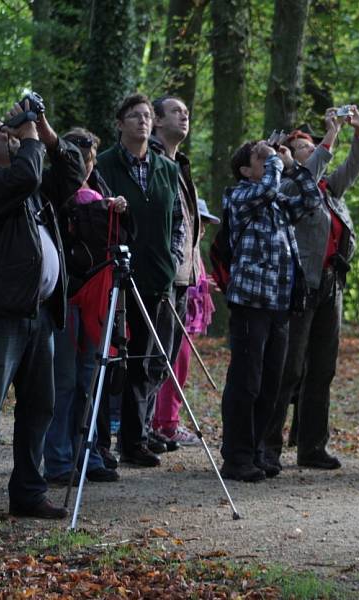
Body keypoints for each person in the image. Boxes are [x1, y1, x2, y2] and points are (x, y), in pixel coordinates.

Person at [0, 102, 85, 519]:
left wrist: (45, 132)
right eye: (1, 131)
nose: (10, 133)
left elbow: (72, 177)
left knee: (39, 408)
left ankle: (28, 492)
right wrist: (28, 138)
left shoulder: (23, 183)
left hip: (38, 314)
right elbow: (28, 174)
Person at [263, 105, 359, 471]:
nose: (314, 152)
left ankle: (311, 447)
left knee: (322, 369)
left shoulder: (330, 190)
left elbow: (353, 165)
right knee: (288, 368)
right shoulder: (288, 186)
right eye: (304, 149)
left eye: (313, 147)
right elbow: (312, 169)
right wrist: (329, 135)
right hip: (298, 287)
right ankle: (268, 446)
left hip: (330, 286)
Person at [219, 139, 321, 482]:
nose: (271, 160)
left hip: (280, 304)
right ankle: (236, 456)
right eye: (260, 158)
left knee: (272, 383)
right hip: (250, 302)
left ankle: (258, 450)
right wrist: (276, 163)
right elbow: (264, 190)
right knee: (246, 381)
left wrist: (294, 166)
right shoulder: (239, 197)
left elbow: (311, 201)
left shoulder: (276, 201)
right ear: (246, 171)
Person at [94, 93, 184, 468]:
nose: (143, 122)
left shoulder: (167, 169)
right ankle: (98, 444)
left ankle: (135, 439)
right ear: (120, 123)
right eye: (135, 116)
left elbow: (178, 221)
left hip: (156, 278)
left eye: (147, 116)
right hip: (114, 278)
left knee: (145, 362)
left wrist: (174, 258)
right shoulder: (104, 166)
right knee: (109, 360)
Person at [43, 127, 126, 486]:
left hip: (97, 293)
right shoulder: (50, 190)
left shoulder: (103, 192)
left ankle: (86, 453)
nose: (86, 166)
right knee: (63, 381)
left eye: (90, 158)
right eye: (79, 159)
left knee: (89, 381)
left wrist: (114, 210)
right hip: (65, 297)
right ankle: (60, 460)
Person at [145, 95, 201, 453]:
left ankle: (151, 426)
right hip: (158, 275)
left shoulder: (179, 162)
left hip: (181, 276)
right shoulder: (150, 160)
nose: (184, 117)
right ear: (158, 120)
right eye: (176, 112)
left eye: (187, 113)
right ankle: (142, 428)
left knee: (165, 355)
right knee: (150, 356)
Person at [152, 198, 219, 445]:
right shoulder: (181, 246)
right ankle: (166, 422)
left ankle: (163, 420)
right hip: (177, 318)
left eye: (205, 225)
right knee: (172, 369)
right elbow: (180, 283)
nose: (202, 230)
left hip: (190, 322)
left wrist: (204, 284)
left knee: (179, 370)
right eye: (199, 224)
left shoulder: (196, 251)